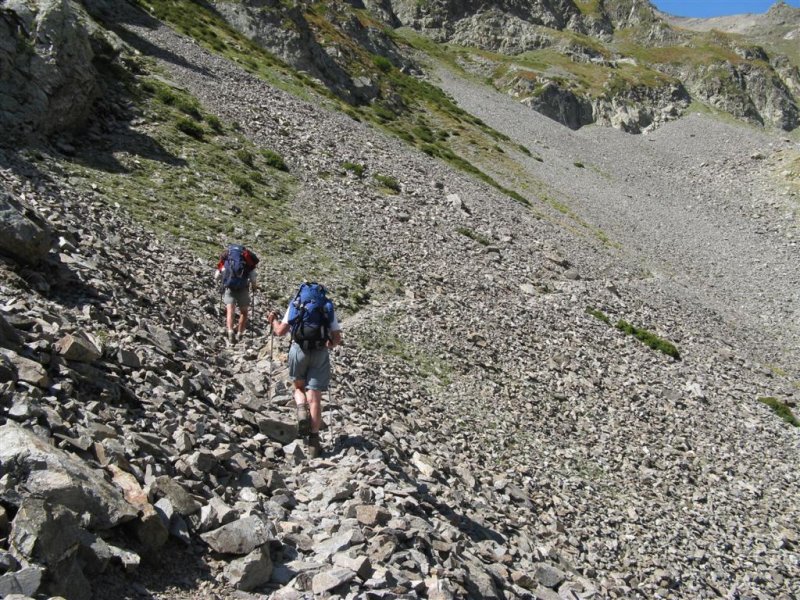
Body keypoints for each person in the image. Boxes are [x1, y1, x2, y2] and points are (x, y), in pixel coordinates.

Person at [267, 282, 342, 458]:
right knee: (315, 397)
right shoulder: (327, 305)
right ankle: (314, 443)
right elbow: (337, 338)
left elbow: (279, 332)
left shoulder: (295, 303)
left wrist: (273, 320)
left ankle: (301, 409)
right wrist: (329, 344)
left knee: (299, 387)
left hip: (298, 350)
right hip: (320, 353)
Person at [214, 244, 259, 344]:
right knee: (244, 312)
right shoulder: (246, 259)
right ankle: (239, 334)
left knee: (230, 311)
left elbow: (217, 275)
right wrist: (254, 286)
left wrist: (222, 280)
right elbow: (253, 275)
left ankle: (230, 332)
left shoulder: (227, 258)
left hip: (229, 287)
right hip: (243, 288)